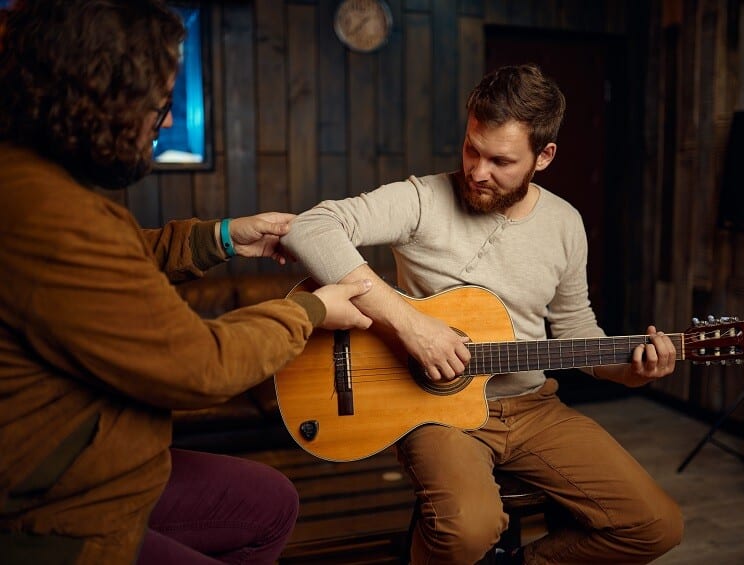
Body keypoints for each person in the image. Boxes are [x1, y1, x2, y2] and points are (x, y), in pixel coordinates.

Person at [0, 1, 373, 563]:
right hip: (63, 516)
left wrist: (222, 237)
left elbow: (117, 264)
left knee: (268, 500)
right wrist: (311, 311)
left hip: (111, 474)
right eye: (156, 105)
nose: (161, 123)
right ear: (97, 97)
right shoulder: (48, 212)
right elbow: (204, 366)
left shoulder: (37, 183)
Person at [283, 63, 684, 564]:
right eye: (472, 147)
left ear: (545, 156)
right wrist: (410, 326)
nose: (477, 170)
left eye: (500, 160)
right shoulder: (424, 199)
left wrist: (631, 372)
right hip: (436, 411)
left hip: (534, 408)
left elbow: (578, 330)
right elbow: (309, 228)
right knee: (467, 530)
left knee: (656, 525)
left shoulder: (565, 224)